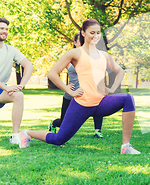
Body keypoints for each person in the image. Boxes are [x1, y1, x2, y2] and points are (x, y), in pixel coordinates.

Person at [17, 19, 140, 154]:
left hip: (100, 103)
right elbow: (52, 73)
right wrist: (68, 89)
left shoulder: (104, 55)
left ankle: (125, 146)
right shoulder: (75, 53)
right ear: (83, 33)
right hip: (82, 104)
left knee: (128, 99)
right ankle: (27, 133)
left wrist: (111, 89)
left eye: (98, 33)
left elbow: (120, 71)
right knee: (59, 139)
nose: (95, 36)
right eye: (92, 32)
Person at [48, 33, 104, 139]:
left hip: (89, 91)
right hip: (72, 93)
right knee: (64, 121)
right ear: (74, 43)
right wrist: (66, 87)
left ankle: (97, 131)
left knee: (97, 108)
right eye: (80, 41)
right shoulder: (70, 56)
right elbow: (54, 73)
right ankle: (53, 124)